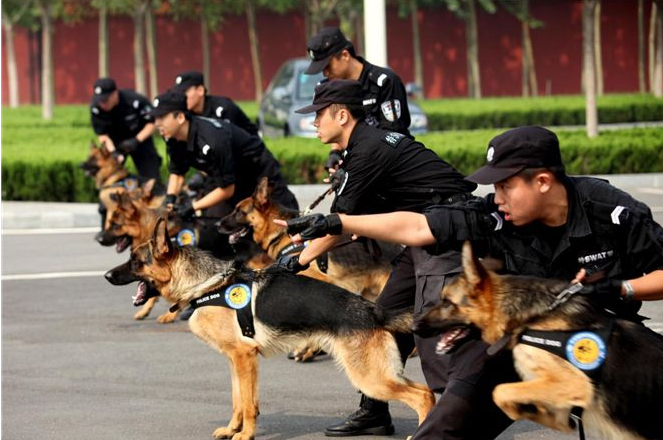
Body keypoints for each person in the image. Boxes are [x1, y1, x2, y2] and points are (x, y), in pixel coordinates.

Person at [281, 125, 663, 439]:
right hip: (518, 342)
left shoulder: (611, 213)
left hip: (600, 344)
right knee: (446, 426)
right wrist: (339, 223)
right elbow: (418, 226)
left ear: (543, 181)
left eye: (505, 186)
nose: (496, 197)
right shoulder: (492, 216)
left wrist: (622, 288)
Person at [276, 79, 477, 437]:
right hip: (422, 238)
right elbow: (352, 226)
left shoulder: (368, 151)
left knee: (431, 327)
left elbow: (336, 227)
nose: (313, 123)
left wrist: (296, 260)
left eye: (318, 115)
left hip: (450, 235)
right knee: (380, 320)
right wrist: (305, 244)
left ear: (342, 115)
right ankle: (374, 409)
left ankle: (450, 425)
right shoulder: (362, 148)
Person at [150, 89, 298, 223]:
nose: (157, 123)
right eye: (155, 118)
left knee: (280, 218)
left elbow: (227, 189)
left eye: (162, 117)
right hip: (229, 176)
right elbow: (177, 172)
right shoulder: (171, 137)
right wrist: (170, 197)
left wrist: (193, 207)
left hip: (258, 169)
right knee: (221, 226)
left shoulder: (212, 140)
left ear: (180, 117)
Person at [305, 27, 412, 172]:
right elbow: (339, 126)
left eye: (327, 65)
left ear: (344, 55)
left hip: (394, 165)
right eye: (321, 69)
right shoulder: (328, 87)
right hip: (360, 163)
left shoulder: (384, 82)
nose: (325, 73)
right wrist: (335, 153)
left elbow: (392, 135)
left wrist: (356, 167)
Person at [89, 77, 163, 184]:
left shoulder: (135, 101)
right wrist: (113, 152)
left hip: (140, 139)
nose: (102, 105)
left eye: (105, 100)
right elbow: (102, 134)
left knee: (151, 179)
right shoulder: (96, 108)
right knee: (108, 178)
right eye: (99, 101)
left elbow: (152, 123)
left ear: (115, 94)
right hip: (114, 143)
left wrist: (136, 140)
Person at [172, 70, 259, 136]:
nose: (181, 97)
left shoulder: (223, 109)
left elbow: (230, 143)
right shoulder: (186, 114)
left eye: (185, 92)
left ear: (200, 90)